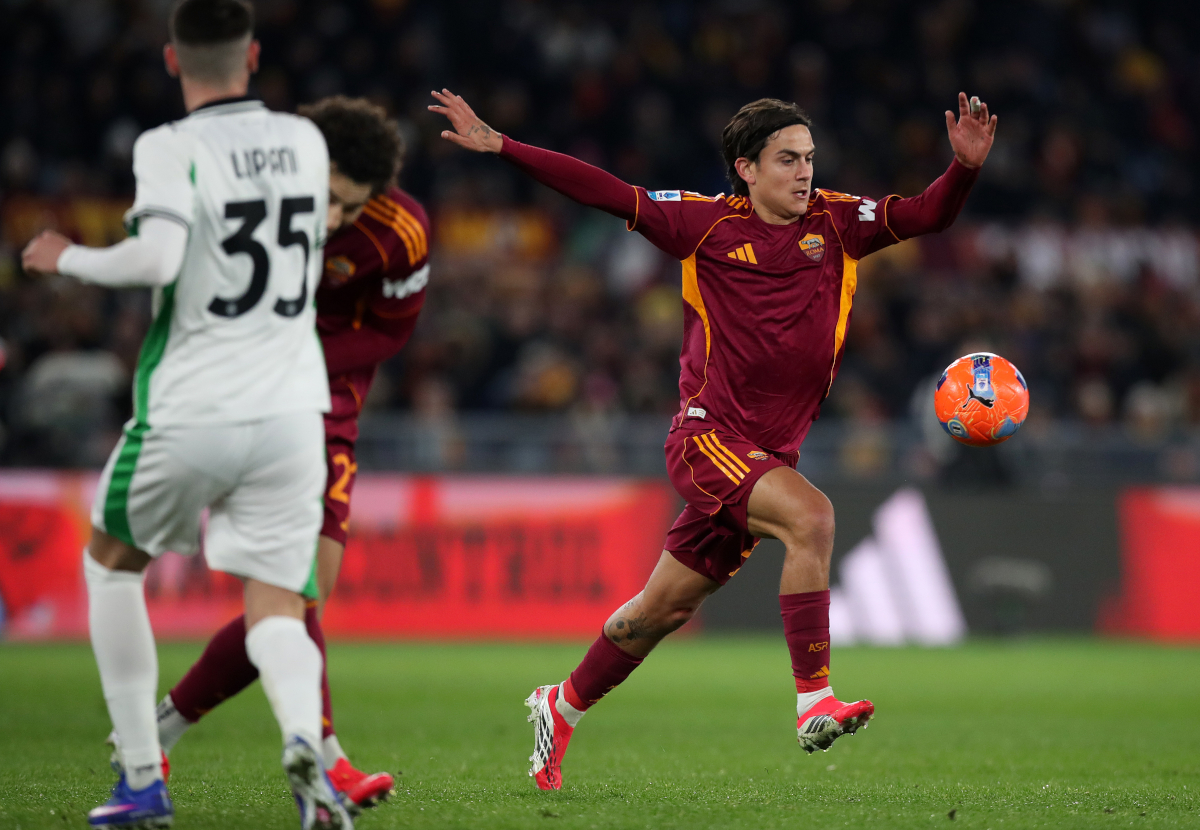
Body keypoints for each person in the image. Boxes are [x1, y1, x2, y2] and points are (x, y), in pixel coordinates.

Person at [430, 88, 995, 790]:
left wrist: (962, 169)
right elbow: (606, 193)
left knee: (658, 612)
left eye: (809, 159)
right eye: (787, 159)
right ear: (746, 169)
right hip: (708, 440)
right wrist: (504, 145)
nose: (804, 173)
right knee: (812, 517)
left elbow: (927, 213)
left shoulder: (840, 223)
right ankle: (814, 699)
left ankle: (560, 705)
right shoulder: (703, 225)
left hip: (765, 457)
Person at [21, 2, 352, 827]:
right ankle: (304, 744)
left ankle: (141, 778)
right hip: (290, 409)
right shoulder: (308, 143)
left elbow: (161, 257)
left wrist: (71, 259)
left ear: (173, 61)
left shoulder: (170, 147)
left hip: (195, 402)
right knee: (277, 600)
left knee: (109, 565)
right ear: (255, 56)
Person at [148, 94, 429, 811]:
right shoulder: (245, 194)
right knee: (292, 597)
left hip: (327, 410)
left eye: (351, 206)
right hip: (241, 405)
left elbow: (390, 332)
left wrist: (297, 356)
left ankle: (156, 732)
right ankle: (327, 763)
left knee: (298, 602)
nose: (333, 219)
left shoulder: (401, 232)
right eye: (327, 198)